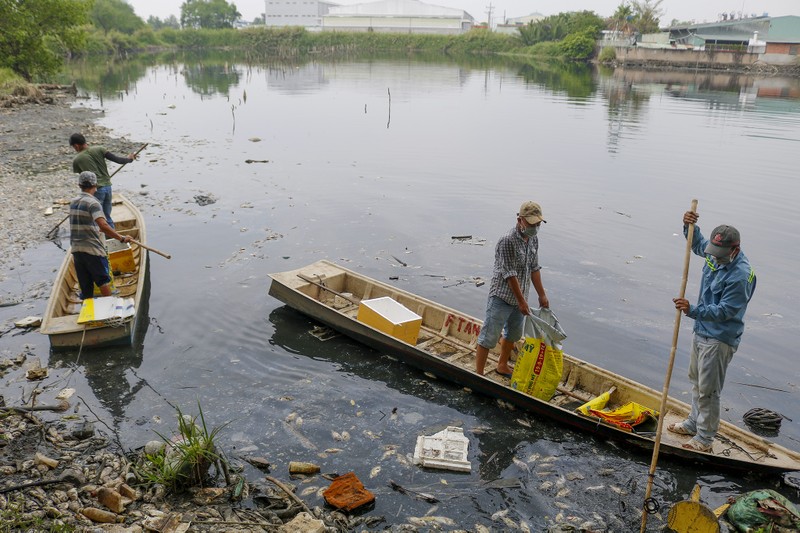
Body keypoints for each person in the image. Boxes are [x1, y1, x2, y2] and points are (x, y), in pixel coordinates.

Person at [669, 210, 756, 452]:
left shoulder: (740, 275)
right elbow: (697, 245)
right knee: (696, 381)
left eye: (720, 255)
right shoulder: (714, 254)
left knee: (709, 389)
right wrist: (689, 227)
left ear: (734, 250)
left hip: (719, 337)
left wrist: (692, 309)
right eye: (713, 254)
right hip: (702, 330)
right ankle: (693, 422)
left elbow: (726, 310)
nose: (714, 259)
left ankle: (705, 439)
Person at [475, 201, 550, 376]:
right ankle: (478, 373)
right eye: (532, 224)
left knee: (513, 334)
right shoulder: (507, 241)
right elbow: (510, 274)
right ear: (520, 220)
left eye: (538, 224)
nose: (535, 228)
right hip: (502, 296)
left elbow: (534, 268)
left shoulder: (533, 239)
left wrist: (542, 295)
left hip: (520, 297)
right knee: (489, 335)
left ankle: (502, 365)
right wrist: (521, 301)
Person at [70, 171, 131, 300]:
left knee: (86, 287)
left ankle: (89, 312)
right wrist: (122, 238)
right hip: (92, 249)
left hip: (76, 250)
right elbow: (103, 226)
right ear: (95, 185)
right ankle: (109, 309)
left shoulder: (73, 201)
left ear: (79, 185)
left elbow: (85, 222)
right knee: (102, 280)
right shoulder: (94, 203)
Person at [70, 133, 136, 228]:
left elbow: (83, 179)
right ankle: (113, 238)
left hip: (95, 190)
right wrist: (129, 159)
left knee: (96, 218)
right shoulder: (100, 149)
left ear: (76, 145)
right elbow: (118, 160)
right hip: (108, 187)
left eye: (73, 147)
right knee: (107, 217)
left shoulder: (77, 160)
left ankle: (100, 239)